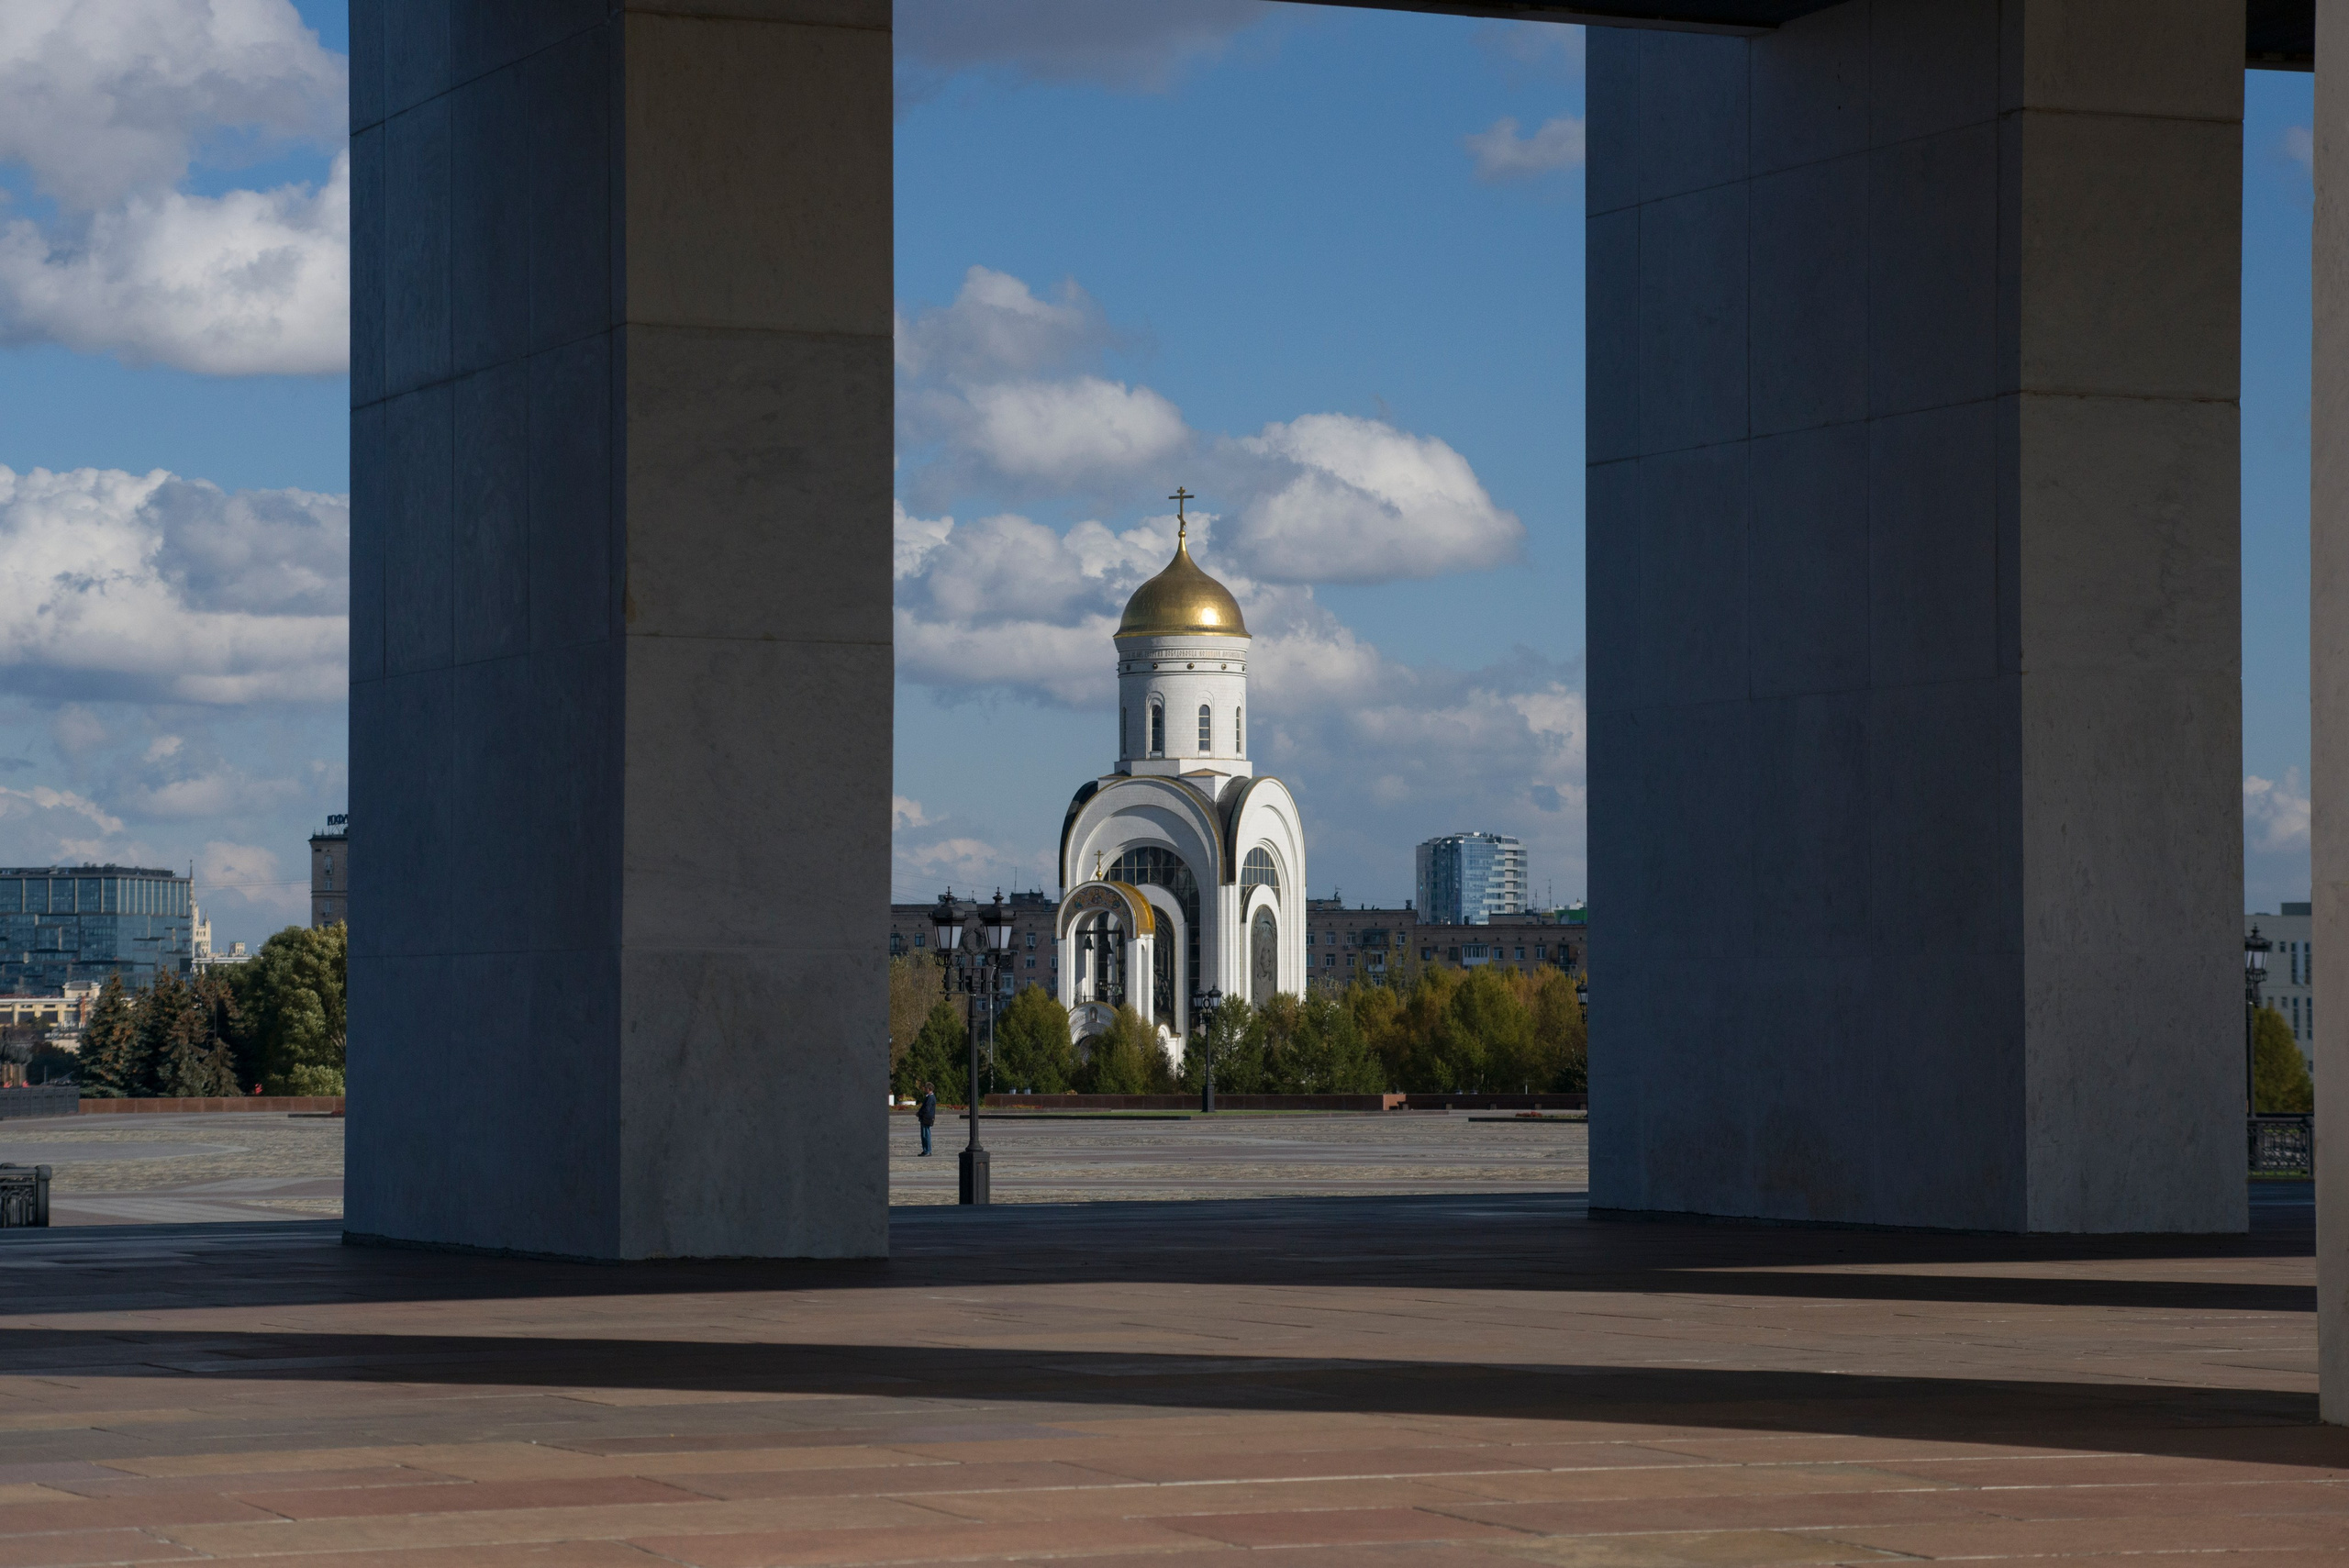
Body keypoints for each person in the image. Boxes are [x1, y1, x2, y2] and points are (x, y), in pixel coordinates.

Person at [917, 1082, 936, 1156]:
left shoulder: (930, 1097)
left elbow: (926, 1109)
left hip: (926, 1118)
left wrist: (920, 1113)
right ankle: (926, 1150)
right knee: (924, 1134)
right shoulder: (929, 1097)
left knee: (925, 1135)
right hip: (926, 1118)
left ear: (928, 1089)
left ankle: (927, 1150)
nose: (924, 1089)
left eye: (925, 1088)